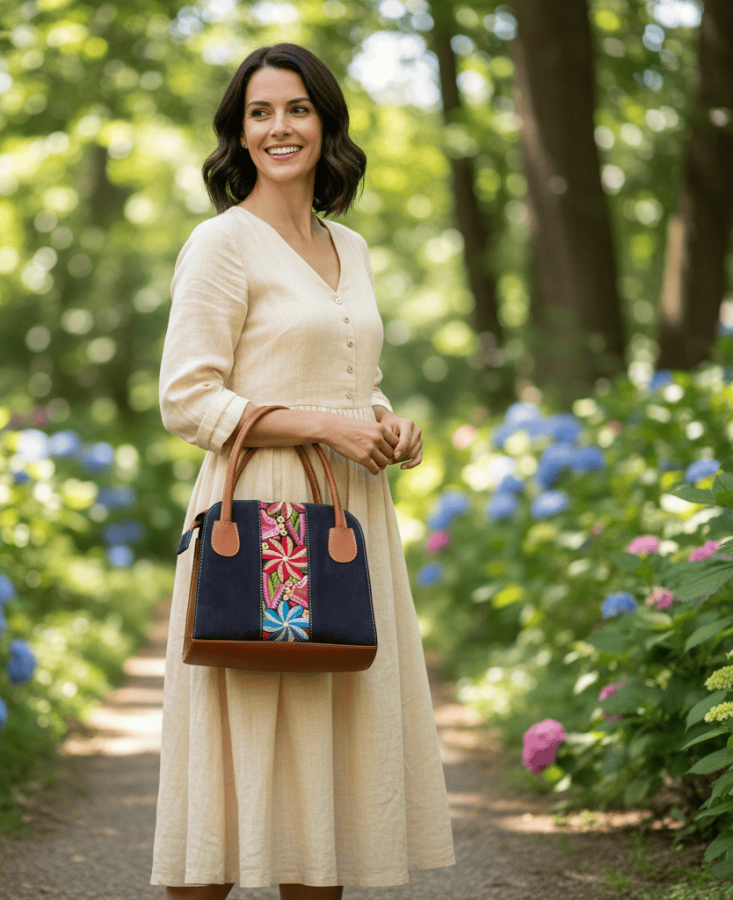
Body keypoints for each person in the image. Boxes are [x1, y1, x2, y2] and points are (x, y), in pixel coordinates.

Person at [152, 42, 455, 899]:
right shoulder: (220, 244)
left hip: (347, 520)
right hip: (262, 518)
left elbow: (344, 371)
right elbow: (186, 399)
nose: (279, 127)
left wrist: (384, 421)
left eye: (296, 109)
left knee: (327, 750)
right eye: (260, 112)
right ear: (239, 134)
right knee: (243, 735)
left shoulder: (348, 246)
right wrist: (327, 427)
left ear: (325, 124)